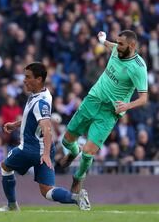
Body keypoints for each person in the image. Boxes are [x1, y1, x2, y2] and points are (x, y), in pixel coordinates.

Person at [59, 30, 148, 194]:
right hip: (92, 99)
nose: (117, 47)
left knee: (89, 152)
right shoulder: (117, 49)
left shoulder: (138, 68)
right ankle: (73, 151)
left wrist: (127, 106)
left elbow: (144, 98)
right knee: (66, 141)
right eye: (117, 43)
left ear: (132, 45)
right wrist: (102, 40)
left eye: (121, 44)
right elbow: (110, 45)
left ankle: (78, 177)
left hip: (109, 112)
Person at [0, 63, 90, 212]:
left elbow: (47, 129)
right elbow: (35, 119)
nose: (24, 80)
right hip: (44, 149)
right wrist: (16, 124)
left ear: (39, 79)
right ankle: (76, 198)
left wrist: (45, 154)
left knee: (5, 167)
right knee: (47, 191)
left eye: (28, 77)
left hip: (29, 149)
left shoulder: (40, 102)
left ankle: (12, 205)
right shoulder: (44, 95)